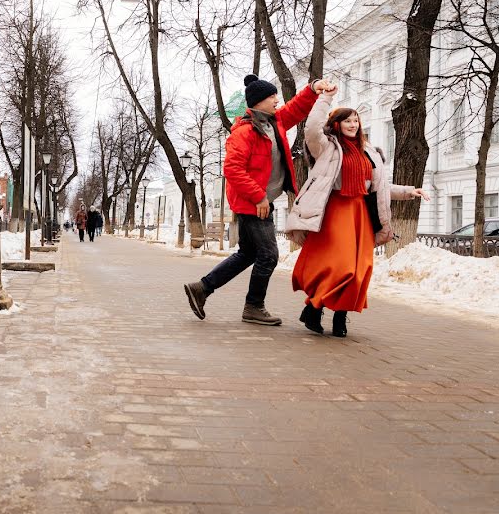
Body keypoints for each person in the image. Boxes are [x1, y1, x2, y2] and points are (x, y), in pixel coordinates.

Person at [183, 74, 335, 325]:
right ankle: (253, 306)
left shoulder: (273, 123)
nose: (277, 100)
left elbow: (296, 109)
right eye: (272, 96)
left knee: (248, 253)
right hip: (252, 203)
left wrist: (313, 89)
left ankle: (201, 288)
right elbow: (233, 169)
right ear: (258, 101)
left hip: (260, 201)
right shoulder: (244, 133)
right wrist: (259, 197)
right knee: (268, 255)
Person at [286, 89, 428, 337]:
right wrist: (324, 98)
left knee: (360, 267)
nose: (353, 124)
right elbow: (311, 129)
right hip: (336, 211)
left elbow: (379, 187)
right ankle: (314, 308)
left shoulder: (369, 151)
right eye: (347, 120)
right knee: (340, 266)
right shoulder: (326, 148)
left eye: (356, 120)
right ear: (336, 124)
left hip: (361, 213)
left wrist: (408, 191)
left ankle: (340, 318)